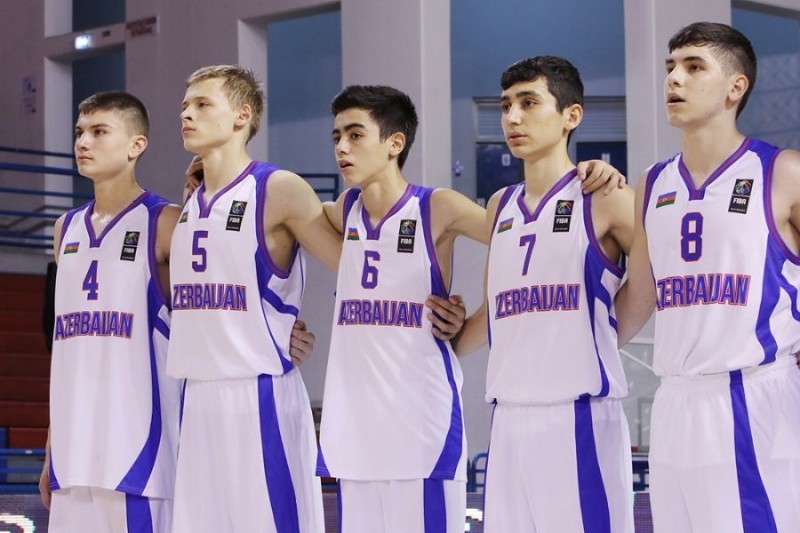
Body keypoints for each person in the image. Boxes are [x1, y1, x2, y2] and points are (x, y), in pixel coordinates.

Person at [615, 22, 800, 532]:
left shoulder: (782, 171)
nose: (674, 79)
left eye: (694, 67)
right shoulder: (653, 182)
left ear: (736, 87)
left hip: (752, 395)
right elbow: (639, 297)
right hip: (674, 401)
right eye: (671, 67)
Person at [452, 57, 636, 532]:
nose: (512, 118)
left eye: (529, 103)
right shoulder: (500, 205)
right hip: (508, 418)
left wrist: (604, 336)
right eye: (505, 106)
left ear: (571, 115)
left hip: (578, 417)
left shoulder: (606, 196)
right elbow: (496, 309)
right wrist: (443, 341)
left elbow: (660, 280)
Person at [166, 64, 345, 533]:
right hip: (195, 397)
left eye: (202, 104)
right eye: (185, 105)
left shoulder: (277, 188)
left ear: (242, 115)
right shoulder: (190, 200)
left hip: (258, 395)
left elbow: (354, 267)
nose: (186, 114)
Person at [39, 91, 181, 532]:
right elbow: (66, 352)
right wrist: (50, 450)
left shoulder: (165, 221)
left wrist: (280, 329)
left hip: (138, 456)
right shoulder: (65, 229)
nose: (84, 142)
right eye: (80, 132)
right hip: (72, 454)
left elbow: (210, 308)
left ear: (137, 144)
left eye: (100, 131)